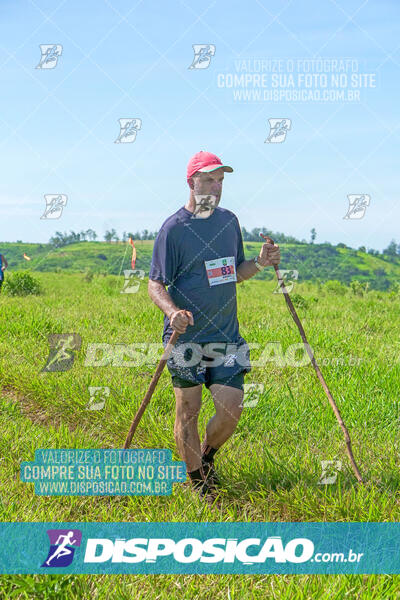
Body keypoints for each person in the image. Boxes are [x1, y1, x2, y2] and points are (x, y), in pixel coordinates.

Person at [148, 151, 280, 505]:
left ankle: (205, 457)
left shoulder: (228, 222)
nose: (216, 187)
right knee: (187, 412)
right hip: (186, 338)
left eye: (220, 180)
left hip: (225, 336)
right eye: (208, 179)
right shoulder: (174, 229)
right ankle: (197, 483)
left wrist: (261, 263)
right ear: (191, 181)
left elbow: (235, 271)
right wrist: (172, 310)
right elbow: (155, 284)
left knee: (231, 409)